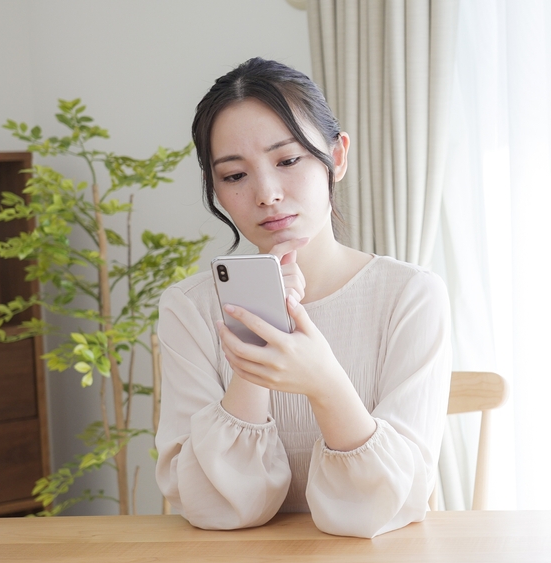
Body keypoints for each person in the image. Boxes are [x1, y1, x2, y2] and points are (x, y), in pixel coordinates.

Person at [154, 57, 452, 538]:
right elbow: (214, 508)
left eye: (288, 161)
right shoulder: (188, 308)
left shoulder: (410, 295)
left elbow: (384, 508)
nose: (267, 194)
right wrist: (258, 335)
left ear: (337, 157)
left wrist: (324, 382)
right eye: (235, 176)